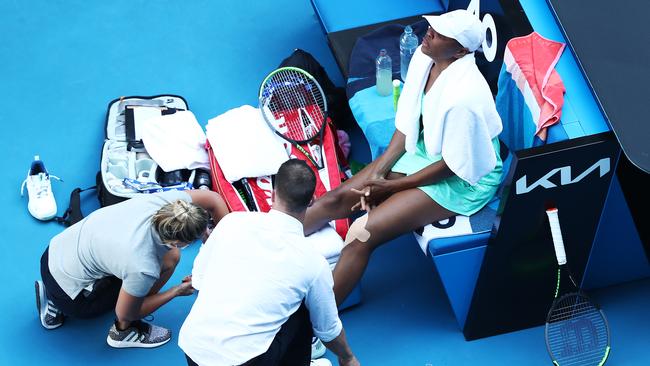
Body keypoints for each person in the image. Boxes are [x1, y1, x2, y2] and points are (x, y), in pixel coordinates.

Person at [303, 9, 504, 305]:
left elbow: (455, 165)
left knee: (361, 234)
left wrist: (393, 187)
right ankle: (264, 252)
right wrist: (377, 174)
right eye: (432, 27)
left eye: (439, 34)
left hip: (464, 178)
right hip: (425, 151)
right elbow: (407, 125)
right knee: (335, 200)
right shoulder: (425, 58)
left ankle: (315, 328)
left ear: (460, 50)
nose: (429, 32)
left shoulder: (465, 97)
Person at [179, 159, 359, 366]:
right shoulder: (312, 262)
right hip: (245, 361)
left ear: (273, 194)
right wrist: (348, 357)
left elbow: (200, 282)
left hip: (193, 351)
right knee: (305, 305)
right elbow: (327, 328)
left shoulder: (231, 222)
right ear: (312, 200)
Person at [35, 189, 229, 348]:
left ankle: (51, 294)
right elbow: (125, 313)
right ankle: (123, 332)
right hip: (71, 297)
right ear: (179, 242)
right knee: (167, 262)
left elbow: (214, 199)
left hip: (53, 254)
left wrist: (221, 244)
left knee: (168, 257)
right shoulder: (143, 266)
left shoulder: (169, 203)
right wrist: (177, 291)